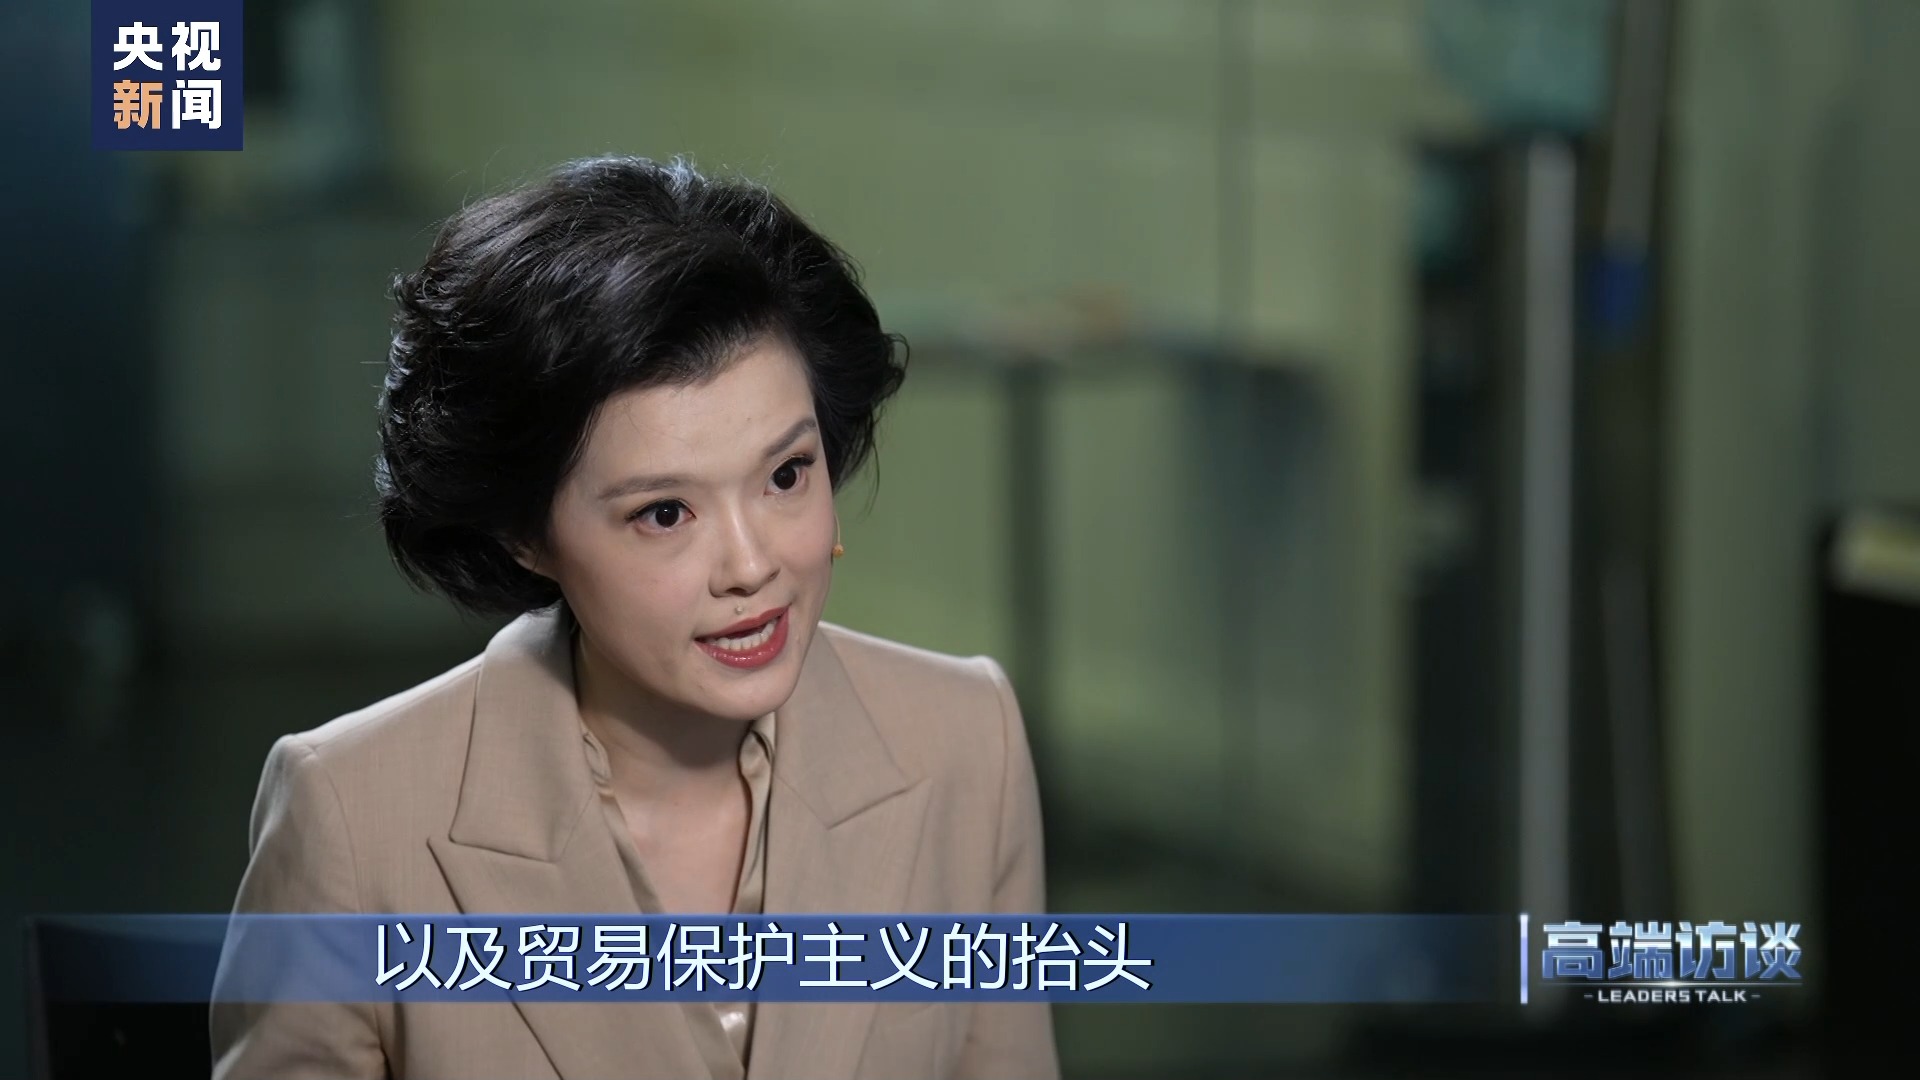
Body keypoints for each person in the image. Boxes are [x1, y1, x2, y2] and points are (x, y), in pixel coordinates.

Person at [210, 156, 1059, 1080]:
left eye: (786, 475)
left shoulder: (963, 742)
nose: (751, 565)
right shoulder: (355, 818)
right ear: (526, 534)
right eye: (664, 513)